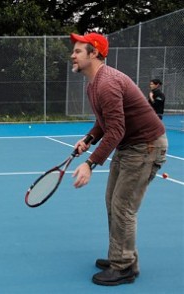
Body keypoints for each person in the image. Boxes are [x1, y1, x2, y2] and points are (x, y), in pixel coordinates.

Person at [69, 32, 167, 286]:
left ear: (94, 54)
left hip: (145, 147)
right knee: (113, 202)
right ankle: (121, 256)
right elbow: (105, 123)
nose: (73, 54)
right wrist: (88, 140)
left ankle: (123, 266)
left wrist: (90, 163)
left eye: (79, 51)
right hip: (130, 146)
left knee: (123, 207)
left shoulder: (107, 84)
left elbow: (116, 130)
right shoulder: (94, 83)